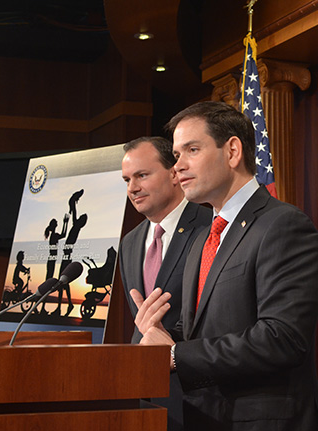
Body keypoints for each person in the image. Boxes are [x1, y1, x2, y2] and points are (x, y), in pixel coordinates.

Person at [130, 101, 318, 430]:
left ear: (232, 151)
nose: (178, 166)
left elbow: (282, 338)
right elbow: (207, 331)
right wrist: (160, 335)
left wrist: (177, 355)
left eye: (192, 149)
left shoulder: (283, 225)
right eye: (176, 155)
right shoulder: (203, 238)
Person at [119, 136, 212, 431]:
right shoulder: (130, 243)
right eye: (127, 180)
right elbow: (141, 324)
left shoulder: (210, 224)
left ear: (174, 173)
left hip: (204, 399)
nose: (132, 188)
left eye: (142, 175)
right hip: (149, 399)